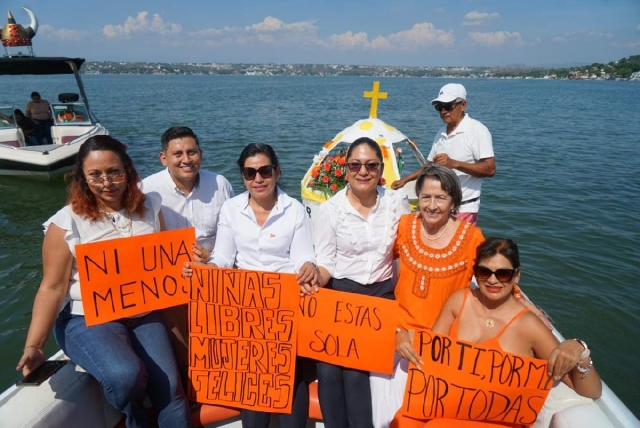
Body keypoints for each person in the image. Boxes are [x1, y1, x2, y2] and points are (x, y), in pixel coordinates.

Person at [16, 135, 191, 428]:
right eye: (95, 175)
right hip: (88, 318)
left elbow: (162, 265)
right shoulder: (66, 223)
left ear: (128, 170)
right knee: (126, 376)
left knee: (171, 389)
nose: (107, 181)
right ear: (82, 178)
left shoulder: (151, 206)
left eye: (114, 172)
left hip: (143, 312)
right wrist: (34, 345)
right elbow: (53, 287)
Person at [392, 237, 602, 427]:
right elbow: (431, 352)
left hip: (495, 421)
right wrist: (403, 334)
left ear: (517, 276)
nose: (493, 280)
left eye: (503, 273)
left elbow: (590, 391)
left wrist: (580, 351)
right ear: (475, 272)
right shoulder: (459, 301)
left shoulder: (529, 326)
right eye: (484, 272)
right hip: (442, 405)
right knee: (402, 420)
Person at [183, 142, 317, 428]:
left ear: (277, 172)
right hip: (245, 306)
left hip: (284, 304)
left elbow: (303, 256)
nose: (258, 179)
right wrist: (205, 270)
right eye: (249, 172)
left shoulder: (294, 210)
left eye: (265, 171)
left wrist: (308, 266)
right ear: (242, 177)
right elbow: (223, 257)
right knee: (250, 379)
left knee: (290, 377)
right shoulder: (231, 209)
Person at [313, 136, 410, 428]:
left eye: (370, 165)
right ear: (346, 169)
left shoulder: (396, 203)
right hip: (340, 295)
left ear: (381, 170)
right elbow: (326, 262)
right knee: (328, 371)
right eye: (355, 165)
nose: (363, 171)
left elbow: (407, 251)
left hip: (381, 298)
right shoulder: (330, 209)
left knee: (356, 372)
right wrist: (312, 277)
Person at [142, 126, 234, 379]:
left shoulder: (220, 184)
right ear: (164, 158)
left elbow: (234, 231)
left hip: (214, 271)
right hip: (170, 278)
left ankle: (222, 372)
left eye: (191, 152)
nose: (186, 160)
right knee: (176, 326)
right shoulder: (146, 190)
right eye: (178, 154)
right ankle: (190, 377)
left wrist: (212, 258)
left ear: (201, 154)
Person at [391, 83, 495, 225]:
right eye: (439, 107)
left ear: (463, 105)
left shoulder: (476, 130)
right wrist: (405, 180)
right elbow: (430, 165)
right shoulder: (441, 133)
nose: (443, 111)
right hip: (438, 206)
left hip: (463, 207)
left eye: (449, 106)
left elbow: (490, 169)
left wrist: (454, 164)